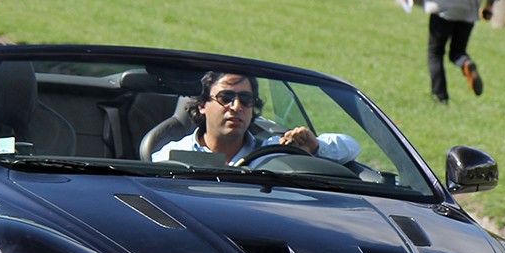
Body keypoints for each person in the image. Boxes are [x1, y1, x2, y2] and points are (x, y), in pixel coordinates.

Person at [152, 71, 359, 165]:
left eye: (246, 99)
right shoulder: (173, 155)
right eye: (226, 97)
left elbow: (351, 147)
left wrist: (316, 148)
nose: (236, 106)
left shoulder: (274, 151)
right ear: (202, 105)